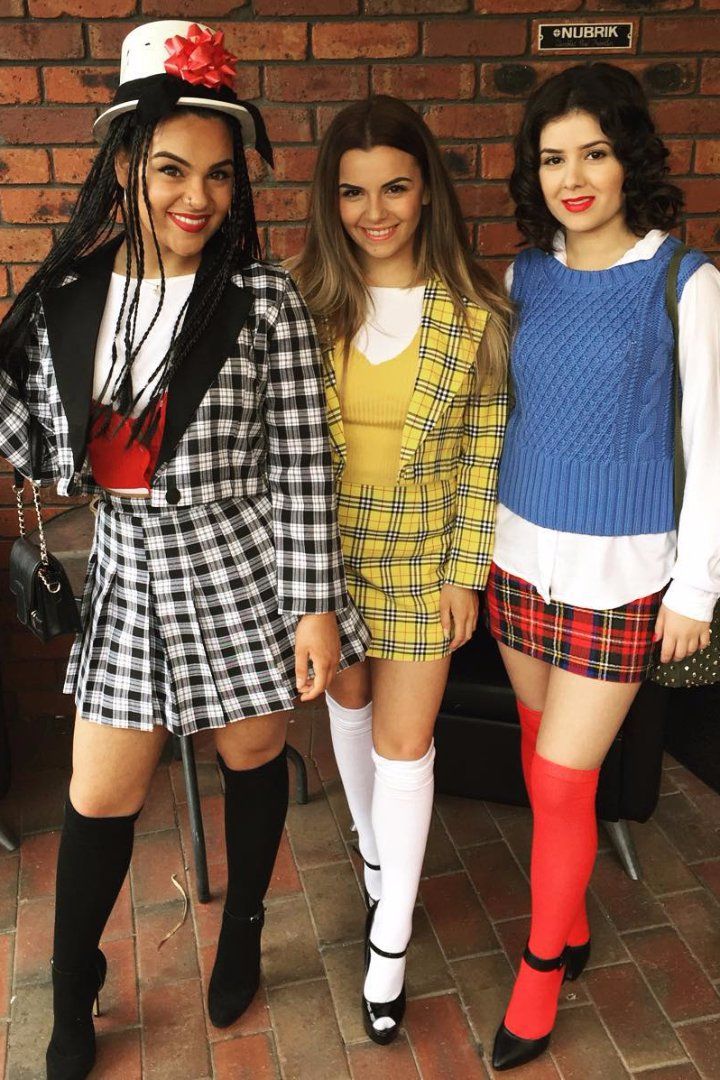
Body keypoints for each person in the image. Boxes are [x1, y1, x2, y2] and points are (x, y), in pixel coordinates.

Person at [0, 21, 368, 1080]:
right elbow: (37, 451)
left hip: (242, 566)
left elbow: (303, 461)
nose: (195, 197)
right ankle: (75, 997)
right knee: (99, 792)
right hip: (126, 575)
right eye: (170, 169)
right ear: (125, 162)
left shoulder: (262, 304)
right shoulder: (69, 302)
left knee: (252, 754)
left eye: (216, 174)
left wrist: (315, 607)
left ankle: (245, 926)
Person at [486, 62, 720, 1070]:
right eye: (551, 158)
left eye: (594, 153)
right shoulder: (520, 277)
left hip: (624, 579)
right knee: (548, 775)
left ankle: (541, 972)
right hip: (517, 563)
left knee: (565, 779)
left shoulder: (687, 281)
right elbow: (504, 420)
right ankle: (569, 920)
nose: (572, 177)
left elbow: (712, 442)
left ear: (631, 158)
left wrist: (698, 589)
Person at [291, 95, 510, 1045]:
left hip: (426, 560)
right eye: (352, 192)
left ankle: (389, 946)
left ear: (427, 192)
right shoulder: (302, 299)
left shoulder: (476, 313)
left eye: (394, 188)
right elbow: (285, 450)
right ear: (329, 199)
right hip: (329, 554)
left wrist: (468, 568)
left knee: (403, 744)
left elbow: (483, 457)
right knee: (344, 709)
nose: (373, 211)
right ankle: (380, 861)